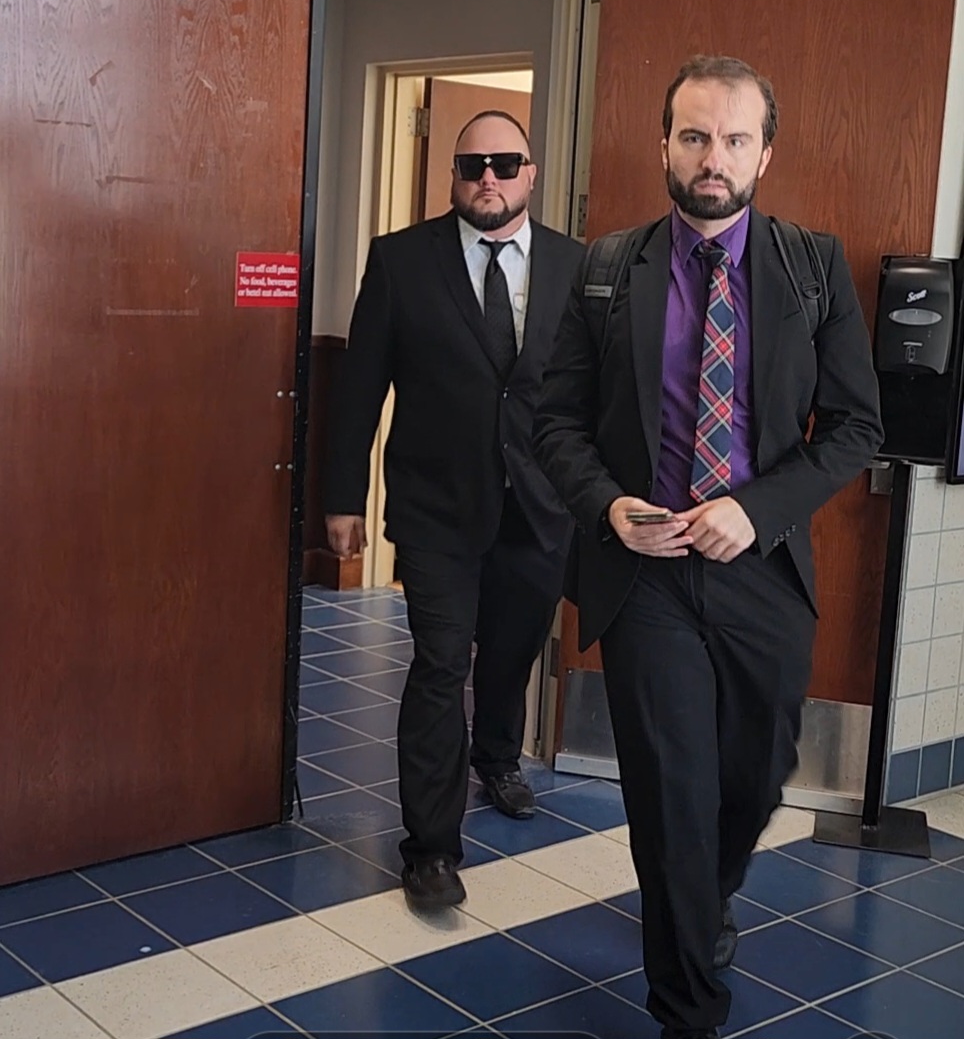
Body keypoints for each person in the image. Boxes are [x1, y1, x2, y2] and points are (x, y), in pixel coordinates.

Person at [532, 55, 883, 1039]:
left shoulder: (809, 266)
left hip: (758, 568)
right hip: (644, 576)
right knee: (672, 789)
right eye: (693, 135)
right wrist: (607, 506)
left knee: (755, 771)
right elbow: (554, 421)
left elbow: (855, 426)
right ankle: (689, 1005)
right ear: (663, 145)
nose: (712, 156)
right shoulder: (607, 269)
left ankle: (705, 895)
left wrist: (760, 507)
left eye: (733, 137)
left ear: (765, 150)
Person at [325, 109, 583, 910]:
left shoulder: (580, 267)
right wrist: (341, 497)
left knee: (510, 651)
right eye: (473, 166)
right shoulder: (402, 261)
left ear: (532, 175)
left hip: (541, 506)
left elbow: (600, 395)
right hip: (436, 508)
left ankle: (498, 756)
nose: (489, 179)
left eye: (507, 165)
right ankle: (431, 850)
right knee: (442, 666)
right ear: (454, 176)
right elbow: (360, 384)